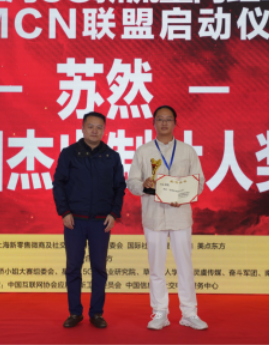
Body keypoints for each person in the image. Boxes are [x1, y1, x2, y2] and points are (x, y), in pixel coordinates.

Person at [127, 105, 208, 330]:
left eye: (168, 119)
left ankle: (189, 313)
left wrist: (184, 195)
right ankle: (160, 312)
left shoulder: (187, 151)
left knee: (185, 266)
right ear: (153, 123)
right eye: (160, 119)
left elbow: (199, 181)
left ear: (175, 123)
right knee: (156, 267)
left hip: (180, 215)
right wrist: (144, 185)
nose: (164, 123)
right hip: (154, 216)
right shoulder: (143, 151)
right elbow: (131, 182)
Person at [52, 111, 126, 329]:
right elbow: (59, 184)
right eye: (90, 126)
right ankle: (75, 312)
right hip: (74, 220)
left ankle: (97, 313)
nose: (95, 131)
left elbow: (119, 188)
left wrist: (114, 214)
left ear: (104, 130)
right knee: (73, 267)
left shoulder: (112, 156)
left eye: (99, 127)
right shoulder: (69, 153)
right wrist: (64, 212)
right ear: (83, 128)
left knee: (99, 268)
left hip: (101, 222)